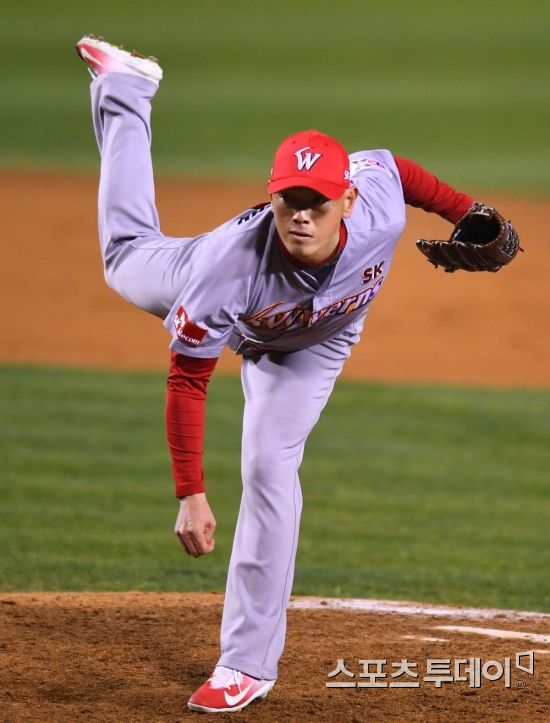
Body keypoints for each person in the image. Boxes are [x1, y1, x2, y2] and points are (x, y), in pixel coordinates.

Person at [76, 35, 483, 714]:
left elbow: (399, 169)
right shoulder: (223, 273)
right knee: (123, 257)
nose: (300, 215)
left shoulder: (377, 206)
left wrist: (465, 212)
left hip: (314, 344)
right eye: (288, 199)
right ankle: (126, 88)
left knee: (269, 466)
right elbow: (187, 380)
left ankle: (246, 665)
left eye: (316, 203)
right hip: (218, 286)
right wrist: (191, 493)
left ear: (347, 200)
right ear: (271, 197)